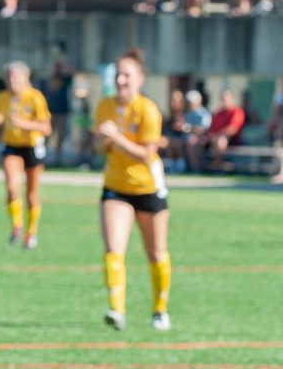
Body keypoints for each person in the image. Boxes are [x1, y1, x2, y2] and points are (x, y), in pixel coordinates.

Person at [94, 49, 172, 332]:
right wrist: (102, 141)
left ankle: (160, 309)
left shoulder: (148, 110)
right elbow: (97, 147)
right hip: (116, 187)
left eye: (127, 74)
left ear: (140, 78)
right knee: (114, 249)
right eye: (118, 74)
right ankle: (117, 309)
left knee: (156, 253)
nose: (121, 80)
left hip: (148, 188)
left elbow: (147, 154)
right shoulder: (103, 106)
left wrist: (117, 137)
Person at [0, 61, 51, 248]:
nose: (12, 80)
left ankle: (31, 232)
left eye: (15, 76)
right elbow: (0, 116)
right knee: (11, 187)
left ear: (26, 78)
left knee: (32, 193)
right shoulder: (1, 97)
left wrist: (24, 124)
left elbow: (46, 128)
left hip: (32, 147)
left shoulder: (35, 98)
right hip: (11, 146)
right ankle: (17, 226)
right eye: (9, 76)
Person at [44, 41, 75, 166]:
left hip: (62, 110)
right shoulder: (51, 76)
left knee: (61, 137)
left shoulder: (66, 77)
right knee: (47, 135)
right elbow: (51, 85)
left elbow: (72, 72)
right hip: (50, 110)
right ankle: (43, 159)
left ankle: (58, 160)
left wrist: (63, 63)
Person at [201, 88, 246, 171]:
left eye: (227, 98)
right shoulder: (219, 113)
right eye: (223, 99)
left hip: (232, 140)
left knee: (220, 141)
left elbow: (233, 129)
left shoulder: (237, 111)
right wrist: (208, 137)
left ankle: (218, 165)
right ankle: (196, 167)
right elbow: (212, 129)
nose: (225, 101)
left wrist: (217, 135)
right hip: (214, 139)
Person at [182, 88, 211, 172]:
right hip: (185, 137)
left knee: (191, 141)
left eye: (191, 102)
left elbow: (202, 129)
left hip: (201, 139)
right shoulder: (187, 113)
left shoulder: (204, 113)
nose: (190, 104)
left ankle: (194, 167)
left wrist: (186, 127)